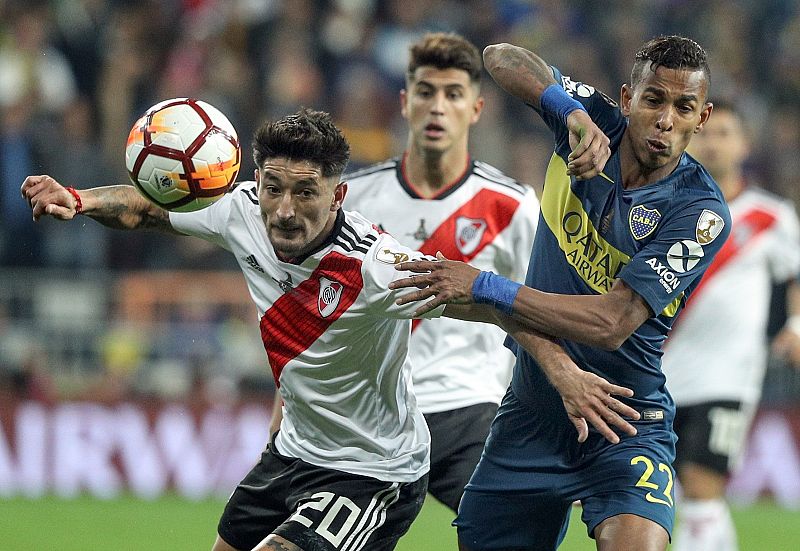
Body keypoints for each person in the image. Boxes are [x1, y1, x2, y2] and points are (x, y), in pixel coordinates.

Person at [21, 108, 446, 551]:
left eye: (305, 193)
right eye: (273, 188)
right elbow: (149, 210)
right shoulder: (241, 211)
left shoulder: (374, 264)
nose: (284, 210)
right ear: (258, 181)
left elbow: (471, 298)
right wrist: (80, 199)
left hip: (371, 470)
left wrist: (520, 338)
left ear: (337, 195)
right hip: (292, 453)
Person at [388, 35, 732, 551]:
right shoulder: (590, 125)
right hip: (530, 415)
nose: (665, 120)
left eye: (683, 107)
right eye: (653, 99)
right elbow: (499, 56)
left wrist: (485, 284)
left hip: (624, 422)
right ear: (626, 98)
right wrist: (568, 110)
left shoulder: (698, 212)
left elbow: (612, 323)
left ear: (700, 117)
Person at [342, 31, 539, 513]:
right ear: (406, 103)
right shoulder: (351, 198)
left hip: (467, 403)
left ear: (475, 109)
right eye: (427, 93)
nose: (438, 107)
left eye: (453, 95)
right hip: (369, 411)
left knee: (508, 531)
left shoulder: (512, 206)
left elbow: (539, 308)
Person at [660, 101, 800, 551]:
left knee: (702, 487)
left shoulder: (770, 216)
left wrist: (796, 326)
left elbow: (795, 276)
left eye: (724, 133)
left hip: (728, 374)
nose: (713, 142)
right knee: (674, 498)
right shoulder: (667, 211)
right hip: (659, 369)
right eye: (705, 133)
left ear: (743, 144)